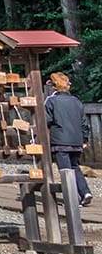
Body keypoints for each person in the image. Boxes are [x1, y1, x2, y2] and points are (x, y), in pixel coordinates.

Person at [45, 71, 91, 207]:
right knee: (75, 167)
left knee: (65, 170)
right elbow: (84, 122)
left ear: (53, 86)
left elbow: (46, 120)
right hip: (76, 140)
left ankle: (72, 200)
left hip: (60, 140)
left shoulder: (51, 101)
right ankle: (85, 192)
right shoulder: (76, 101)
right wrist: (84, 139)